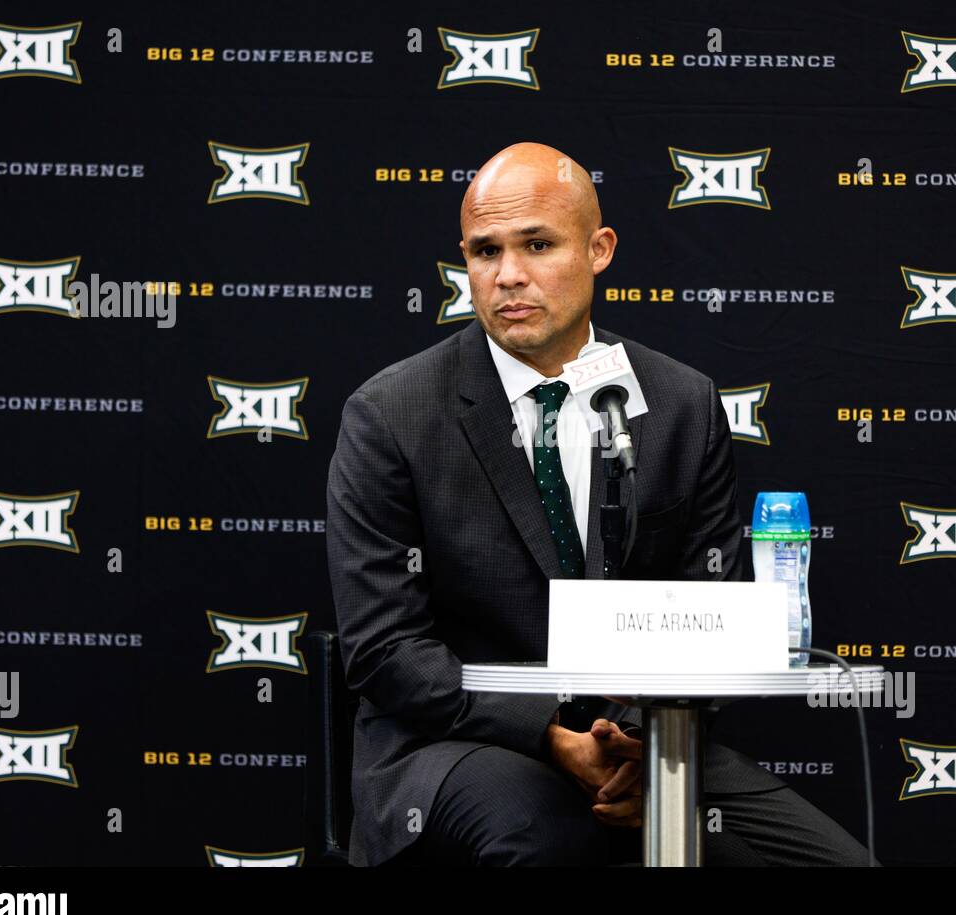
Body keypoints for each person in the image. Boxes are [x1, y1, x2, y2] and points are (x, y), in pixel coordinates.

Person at [326, 142, 874, 866]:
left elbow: (707, 600)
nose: (509, 276)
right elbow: (386, 650)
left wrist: (629, 745)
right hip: (450, 744)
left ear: (599, 249)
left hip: (643, 738)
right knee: (551, 834)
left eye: (538, 245)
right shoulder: (391, 413)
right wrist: (552, 736)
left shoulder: (681, 403)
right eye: (485, 252)